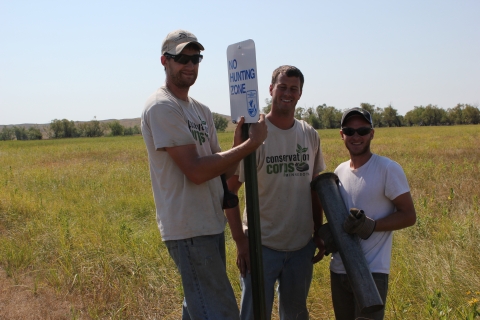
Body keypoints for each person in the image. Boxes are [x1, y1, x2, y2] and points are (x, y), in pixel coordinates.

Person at [141, 29, 268, 320]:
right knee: (219, 311)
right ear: (165, 61)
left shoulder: (201, 110)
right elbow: (197, 172)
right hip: (188, 229)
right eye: (181, 58)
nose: (190, 65)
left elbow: (221, 170)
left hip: (209, 225)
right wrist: (251, 145)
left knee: (199, 305)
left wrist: (238, 144)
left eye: (196, 58)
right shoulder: (162, 106)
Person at [226, 65, 326, 320]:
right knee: (254, 315)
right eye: (282, 86)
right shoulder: (256, 134)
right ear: (271, 89)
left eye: (294, 88)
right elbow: (229, 191)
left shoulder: (309, 135)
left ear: (301, 93)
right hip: (261, 247)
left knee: (295, 315)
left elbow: (315, 188)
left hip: (300, 246)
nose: (287, 93)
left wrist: (318, 231)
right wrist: (241, 242)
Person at [324, 107, 416, 320]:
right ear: (341, 135)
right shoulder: (339, 172)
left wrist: (372, 225)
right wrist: (328, 235)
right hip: (339, 270)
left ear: (372, 133)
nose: (356, 136)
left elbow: (409, 215)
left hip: (372, 272)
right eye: (349, 130)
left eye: (362, 131)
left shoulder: (387, 169)